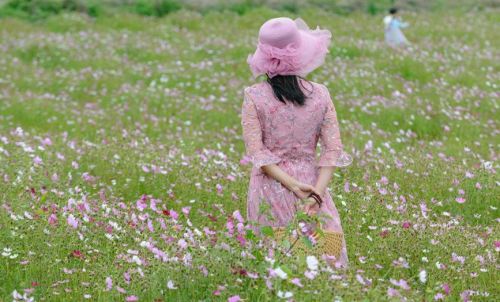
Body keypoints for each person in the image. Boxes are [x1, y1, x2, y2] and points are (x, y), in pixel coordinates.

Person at [242, 17, 352, 266]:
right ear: (300, 50)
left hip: (270, 185)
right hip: (313, 184)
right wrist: (316, 196)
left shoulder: (254, 96)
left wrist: (291, 185)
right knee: (323, 257)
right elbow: (332, 150)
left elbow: (257, 153)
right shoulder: (321, 94)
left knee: (276, 262)